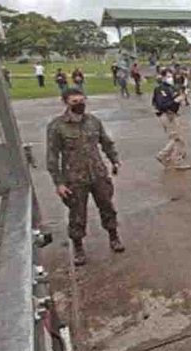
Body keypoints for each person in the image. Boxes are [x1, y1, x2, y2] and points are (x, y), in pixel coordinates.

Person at [46, 88, 125, 266]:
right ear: (65, 102)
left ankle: (114, 237)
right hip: (74, 179)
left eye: (82, 100)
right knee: (77, 214)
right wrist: (58, 183)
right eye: (75, 102)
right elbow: (52, 157)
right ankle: (78, 248)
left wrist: (114, 160)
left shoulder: (93, 121)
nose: (80, 105)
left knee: (107, 207)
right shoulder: (57, 126)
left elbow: (105, 142)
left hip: (98, 174)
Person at [152, 71, 191, 171]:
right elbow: (162, 105)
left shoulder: (172, 88)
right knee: (176, 138)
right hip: (166, 115)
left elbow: (179, 103)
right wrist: (175, 100)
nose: (170, 78)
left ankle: (168, 157)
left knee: (177, 137)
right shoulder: (160, 89)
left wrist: (183, 98)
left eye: (171, 76)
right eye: (168, 76)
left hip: (173, 115)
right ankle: (166, 156)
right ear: (163, 77)